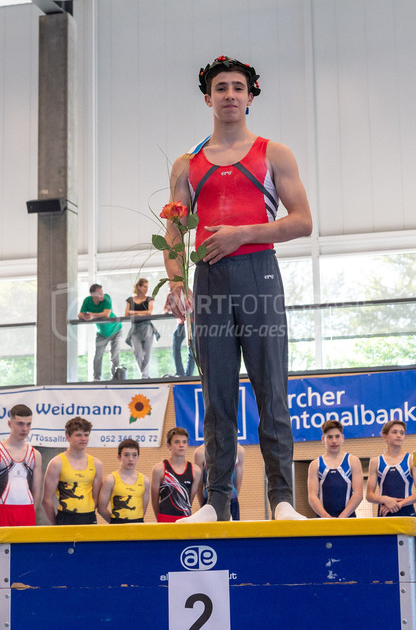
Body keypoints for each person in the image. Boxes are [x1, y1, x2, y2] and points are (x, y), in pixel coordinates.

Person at [164, 56, 312, 522]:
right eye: (221, 88)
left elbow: (302, 222)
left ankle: (282, 499)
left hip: (259, 276)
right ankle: (216, 502)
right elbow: (174, 233)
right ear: (208, 98)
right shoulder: (186, 165)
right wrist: (176, 283)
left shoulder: (274, 153)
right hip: (209, 281)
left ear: (250, 97)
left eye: (237, 87)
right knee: (217, 396)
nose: (229, 94)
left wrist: (242, 234)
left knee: (272, 389)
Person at [42, 417, 103, 525]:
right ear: (68, 436)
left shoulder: (97, 464)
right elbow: (46, 500)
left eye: (86, 435)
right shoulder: (56, 463)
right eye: (78, 435)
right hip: (65, 517)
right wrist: (56, 524)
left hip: (89, 517)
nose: (83, 439)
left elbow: (96, 498)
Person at [307, 420, 363, 518]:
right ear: (323, 439)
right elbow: (312, 496)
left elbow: (358, 494)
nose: (334, 441)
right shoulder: (315, 465)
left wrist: (342, 517)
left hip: (348, 519)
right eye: (329, 437)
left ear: (342, 438)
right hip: (323, 520)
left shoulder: (353, 461)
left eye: (337, 436)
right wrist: (326, 517)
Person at [366, 420, 416, 517]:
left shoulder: (411, 460)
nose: (399, 435)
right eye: (394, 432)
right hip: (384, 514)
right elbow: (369, 495)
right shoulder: (375, 462)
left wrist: (399, 504)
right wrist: (384, 499)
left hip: (406, 513)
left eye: (402, 433)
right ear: (385, 436)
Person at [0, 404, 42, 527]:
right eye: (20, 424)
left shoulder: (35, 454)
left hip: (27, 510)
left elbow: (36, 490)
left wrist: (32, 511)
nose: (25, 429)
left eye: (28, 424)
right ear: (9, 424)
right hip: (2, 509)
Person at [151, 427, 201, 522]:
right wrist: (160, 519)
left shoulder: (196, 471)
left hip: (185, 519)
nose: (181, 445)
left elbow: (189, 500)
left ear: (187, 445)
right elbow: (154, 500)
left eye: (184, 442)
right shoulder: (159, 469)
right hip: (164, 518)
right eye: (177, 442)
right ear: (169, 446)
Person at [98, 439, 150, 523]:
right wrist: (115, 522)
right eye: (126, 455)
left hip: (138, 524)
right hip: (117, 524)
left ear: (138, 457)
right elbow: (101, 509)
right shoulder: (110, 480)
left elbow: (142, 511)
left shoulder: (145, 481)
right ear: (119, 457)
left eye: (134, 455)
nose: (130, 459)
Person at [79, 284, 122, 381]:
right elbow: (80, 315)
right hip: (102, 332)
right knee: (98, 354)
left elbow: (106, 314)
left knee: (114, 356)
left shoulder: (107, 298)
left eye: (102, 293)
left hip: (116, 329)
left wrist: (92, 315)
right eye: (99, 294)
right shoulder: (87, 301)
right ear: (93, 295)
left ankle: (115, 378)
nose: (102, 295)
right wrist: (86, 316)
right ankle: (96, 377)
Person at [194, 443, 244, 520]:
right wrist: (204, 503)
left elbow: (238, 484)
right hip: (209, 500)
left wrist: (232, 498)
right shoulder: (200, 453)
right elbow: (199, 486)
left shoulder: (239, 451)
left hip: (231, 500)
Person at [164, 293, 195, 377]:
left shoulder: (188, 293)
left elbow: (192, 308)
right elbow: (165, 310)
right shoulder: (170, 295)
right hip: (181, 324)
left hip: (190, 323)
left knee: (191, 348)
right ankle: (180, 372)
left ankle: (189, 374)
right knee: (176, 346)